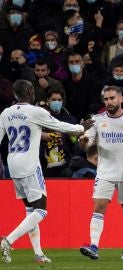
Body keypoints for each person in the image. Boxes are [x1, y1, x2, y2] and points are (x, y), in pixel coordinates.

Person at [0, 80, 93, 264]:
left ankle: (38, 253)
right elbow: (61, 126)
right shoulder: (36, 111)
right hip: (29, 164)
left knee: (30, 210)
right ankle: (8, 241)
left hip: (13, 164)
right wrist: (81, 128)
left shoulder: (6, 113)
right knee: (41, 211)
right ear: (28, 91)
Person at [79, 86, 123, 260]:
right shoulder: (96, 120)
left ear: (121, 99)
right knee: (99, 207)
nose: (109, 102)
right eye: (106, 99)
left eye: (112, 98)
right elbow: (86, 143)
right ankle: (94, 246)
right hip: (104, 172)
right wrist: (83, 141)